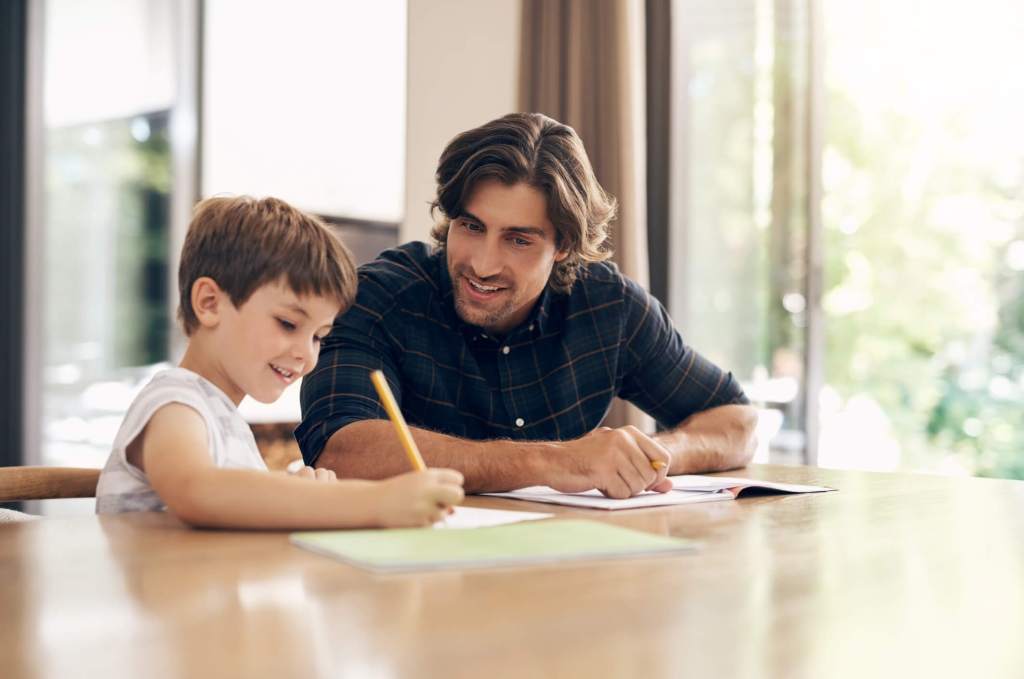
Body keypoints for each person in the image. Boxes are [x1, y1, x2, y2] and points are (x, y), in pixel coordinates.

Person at [298, 113, 757, 499]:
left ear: (563, 246)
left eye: (518, 240)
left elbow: (737, 422)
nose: (482, 264)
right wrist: (554, 461)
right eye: (471, 226)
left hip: (560, 580)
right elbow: (341, 450)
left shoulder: (609, 305)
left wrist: (653, 456)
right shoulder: (378, 297)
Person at [95, 196, 464, 528]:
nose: (307, 354)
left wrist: (296, 495)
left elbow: (233, 505)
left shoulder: (221, 419)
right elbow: (198, 491)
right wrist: (374, 502)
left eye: (319, 336)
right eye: (288, 323)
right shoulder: (175, 403)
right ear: (209, 303)